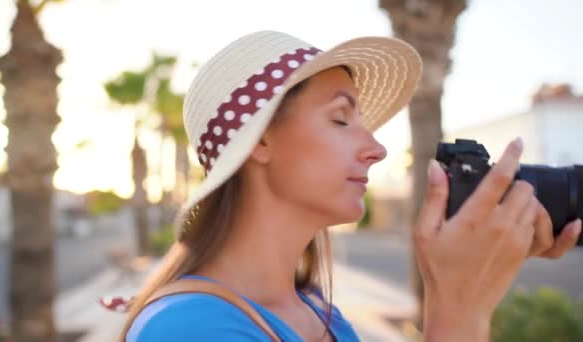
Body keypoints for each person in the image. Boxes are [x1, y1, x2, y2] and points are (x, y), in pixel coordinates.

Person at [121, 31, 582, 341]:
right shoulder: (190, 330)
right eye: (341, 119)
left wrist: (478, 276)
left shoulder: (318, 313)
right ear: (260, 140)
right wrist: (458, 307)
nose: (376, 149)